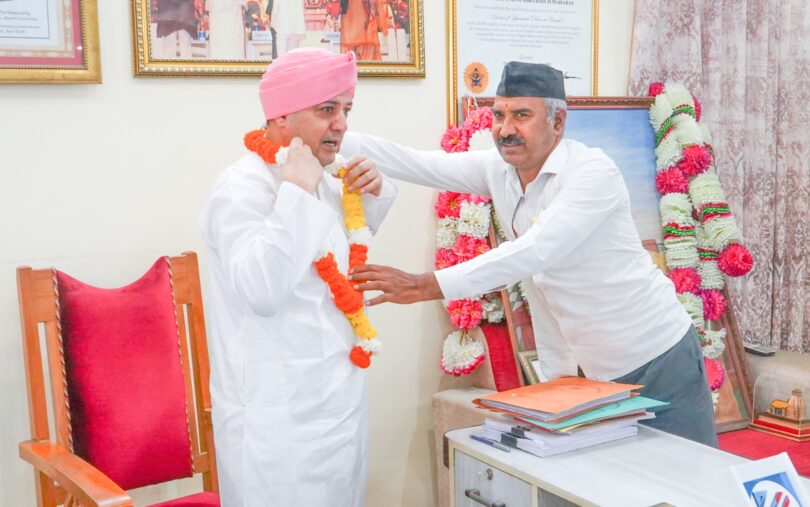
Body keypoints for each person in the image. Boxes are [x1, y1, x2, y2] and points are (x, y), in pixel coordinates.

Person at [343, 61, 719, 447]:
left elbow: (534, 252)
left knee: (689, 482)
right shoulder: (499, 169)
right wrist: (330, 135)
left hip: (659, 355)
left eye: (522, 115)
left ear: (558, 122)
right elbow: (419, 163)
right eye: (499, 115)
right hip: (592, 374)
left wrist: (425, 285)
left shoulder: (593, 173)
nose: (506, 130)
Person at [200, 48, 397, 506]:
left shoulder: (325, 179)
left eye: (346, 110)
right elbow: (262, 289)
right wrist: (295, 190)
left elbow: (342, 260)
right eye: (327, 110)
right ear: (281, 117)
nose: (342, 124)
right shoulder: (241, 190)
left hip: (338, 407)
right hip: (277, 422)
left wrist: (375, 191)